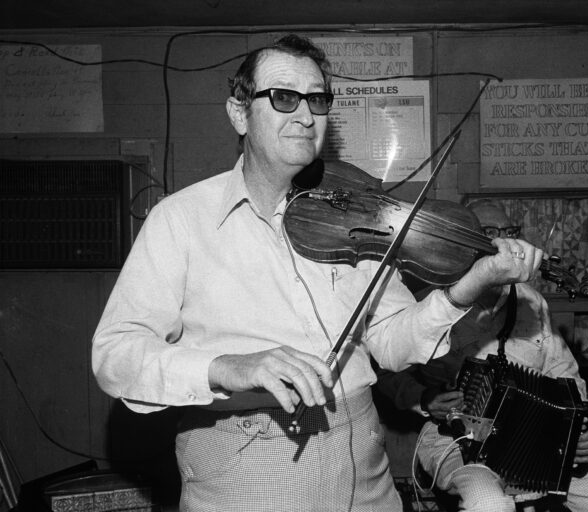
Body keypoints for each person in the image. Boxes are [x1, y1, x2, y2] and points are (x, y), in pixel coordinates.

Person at [91, 35, 545, 512]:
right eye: (284, 97)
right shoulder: (180, 219)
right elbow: (115, 354)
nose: (306, 116)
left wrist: (467, 287)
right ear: (239, 113)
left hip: (362, 458)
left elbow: (391, 342)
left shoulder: (354, 214)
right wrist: (228, 367)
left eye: (318, 99)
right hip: (247, 464)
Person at [375, 201, 588, 512]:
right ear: (466, 239)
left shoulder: (531, 301)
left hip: (539, 441)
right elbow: (388, 373)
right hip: (456, 439)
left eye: (510, 232)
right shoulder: (430, 303)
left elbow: (563, 372)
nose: (504, 242)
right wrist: (424, 398)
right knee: (491, 504)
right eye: (490, 233)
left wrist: (580, 425)